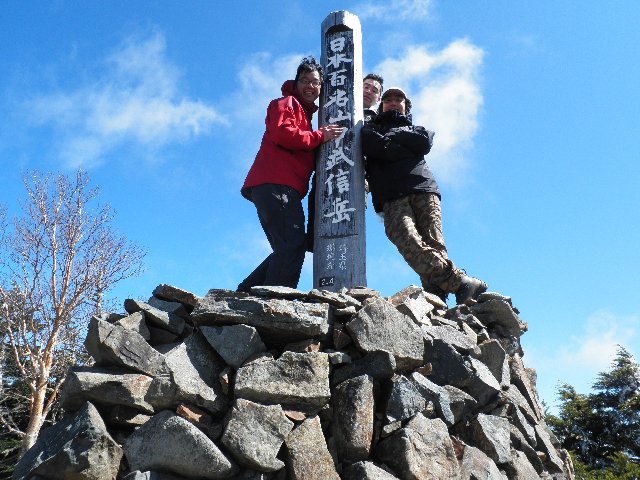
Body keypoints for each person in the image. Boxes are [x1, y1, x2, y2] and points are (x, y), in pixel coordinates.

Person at [361, 87, 488, 304]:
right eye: (388, 99)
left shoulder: (417, 129)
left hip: (424, 189)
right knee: (404, 237)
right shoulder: (370, 128)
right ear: (381, 106)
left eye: (398, 99)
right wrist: (403, 145)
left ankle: (436, 301)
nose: (393, 102)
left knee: (435, 244)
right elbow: (376, 146)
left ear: (406, 106)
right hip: (391, 196)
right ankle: (460, 283)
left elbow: (424, 142)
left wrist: (392, 138)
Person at [238, 57, 343, 292]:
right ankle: (274, 306)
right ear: (295, 83)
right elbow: (283, 134)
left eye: (315, 82)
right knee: (292, 245)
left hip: (280, 186)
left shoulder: (304, 115)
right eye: (304, 80)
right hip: (276, 183)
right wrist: (319, 137)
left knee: (290, 246)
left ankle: (245, 293)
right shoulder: (286, 103)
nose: (310, 86)